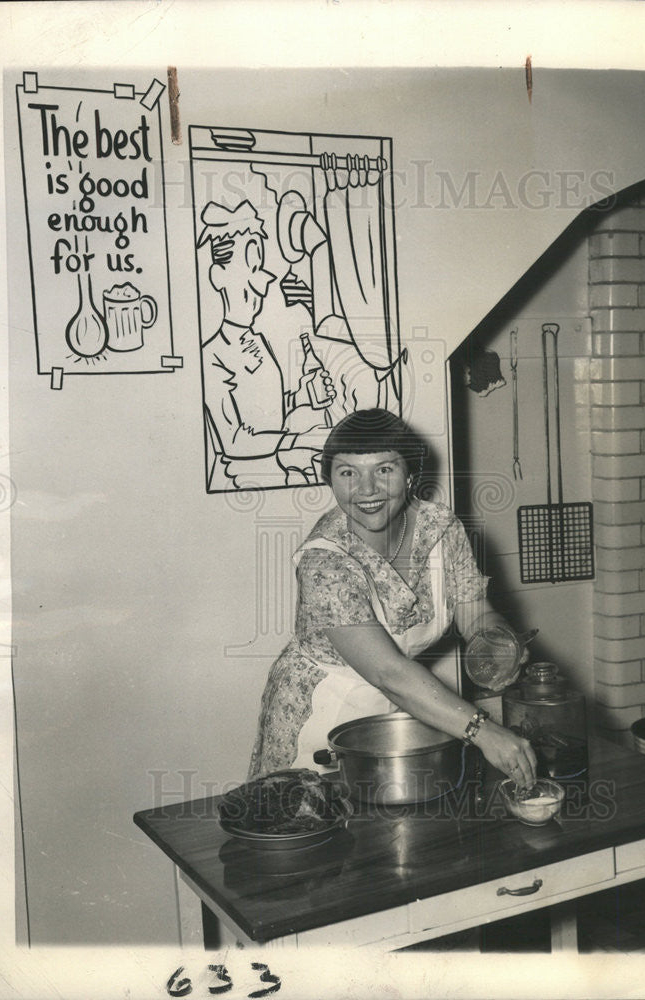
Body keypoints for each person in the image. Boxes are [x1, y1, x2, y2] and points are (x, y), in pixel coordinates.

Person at [248, 408, 537, 789]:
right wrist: (483, 731)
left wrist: (496, 643)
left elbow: (474, 613)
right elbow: (388, 671)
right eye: (348, 473)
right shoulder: (324, 561)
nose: (366, 490)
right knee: (305, 821)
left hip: (398, 708)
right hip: (321, 716)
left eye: (384, 470)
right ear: (330, 480)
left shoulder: (440, 527)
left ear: (410, 474)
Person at [197, 200, 335, 488]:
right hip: (239, 478)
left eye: (259, 265)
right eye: (249, 266)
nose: (262, 281)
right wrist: (300, 440)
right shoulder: (211, 356)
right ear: (218, 276)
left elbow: (265, 411)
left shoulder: (259, 340)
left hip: (275, 467)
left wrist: (302, 397)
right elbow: (235, 440)